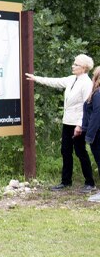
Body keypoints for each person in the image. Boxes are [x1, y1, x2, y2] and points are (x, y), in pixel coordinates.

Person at [25, 54, 96, 192]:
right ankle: (65, 181)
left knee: (81, 152)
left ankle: (90, 183)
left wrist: (80, 125)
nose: (72, 66)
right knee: (65, 151)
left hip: (78, 124)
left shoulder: (86, 83)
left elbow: (86, 106)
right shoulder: (71, 79)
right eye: (73, 63)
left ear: (84, 68)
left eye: (75, 64)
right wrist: (35, 78)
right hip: (67, 122)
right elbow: (54, 81)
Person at [81, 67, 100, 200]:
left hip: (97, 134)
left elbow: (96, 115)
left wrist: (90, 135)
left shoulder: (98, 94)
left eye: (94, 75)